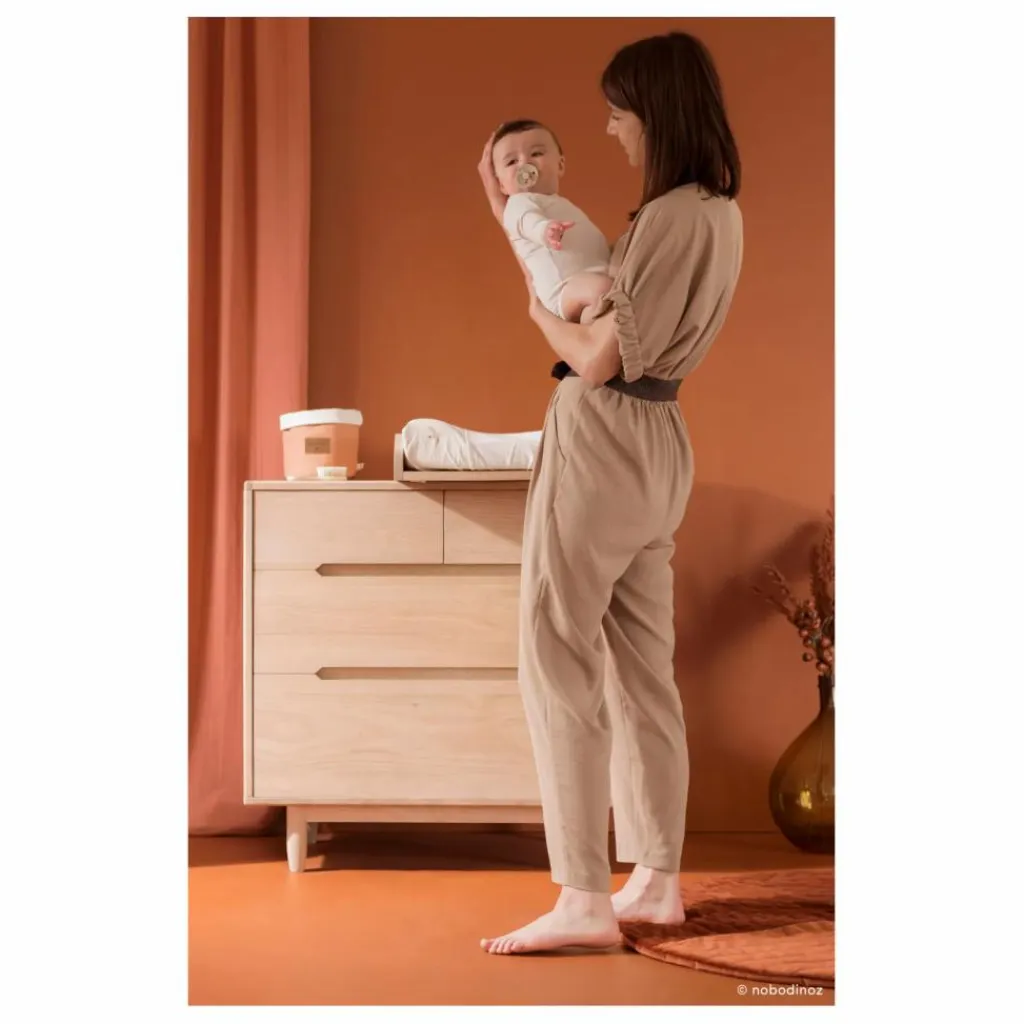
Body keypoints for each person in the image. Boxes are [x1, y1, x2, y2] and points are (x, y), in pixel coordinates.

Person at [475, 30, 744, 955]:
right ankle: (656, 881)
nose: (612, 128)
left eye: (620, 112)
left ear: (654, 112)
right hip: (664, 441)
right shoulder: (720, 213)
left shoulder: (664, 217)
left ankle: (583, 897)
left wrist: (536, 312)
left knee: (555, 657)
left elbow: (594, 359)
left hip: (603, 438)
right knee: (644, 674)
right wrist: (512, 219)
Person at [491, 119, 613, 323]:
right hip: (564, 288)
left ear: (560, 165)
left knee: (612, 281)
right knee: (602, 290)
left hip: (591, 276)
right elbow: (525, 221)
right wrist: (543, 230)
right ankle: (593, 325)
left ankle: (596, 319)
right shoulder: (518, 203)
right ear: (501, 185)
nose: (525, 163)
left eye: (536, 153)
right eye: (512, 162)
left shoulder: (557, 202)